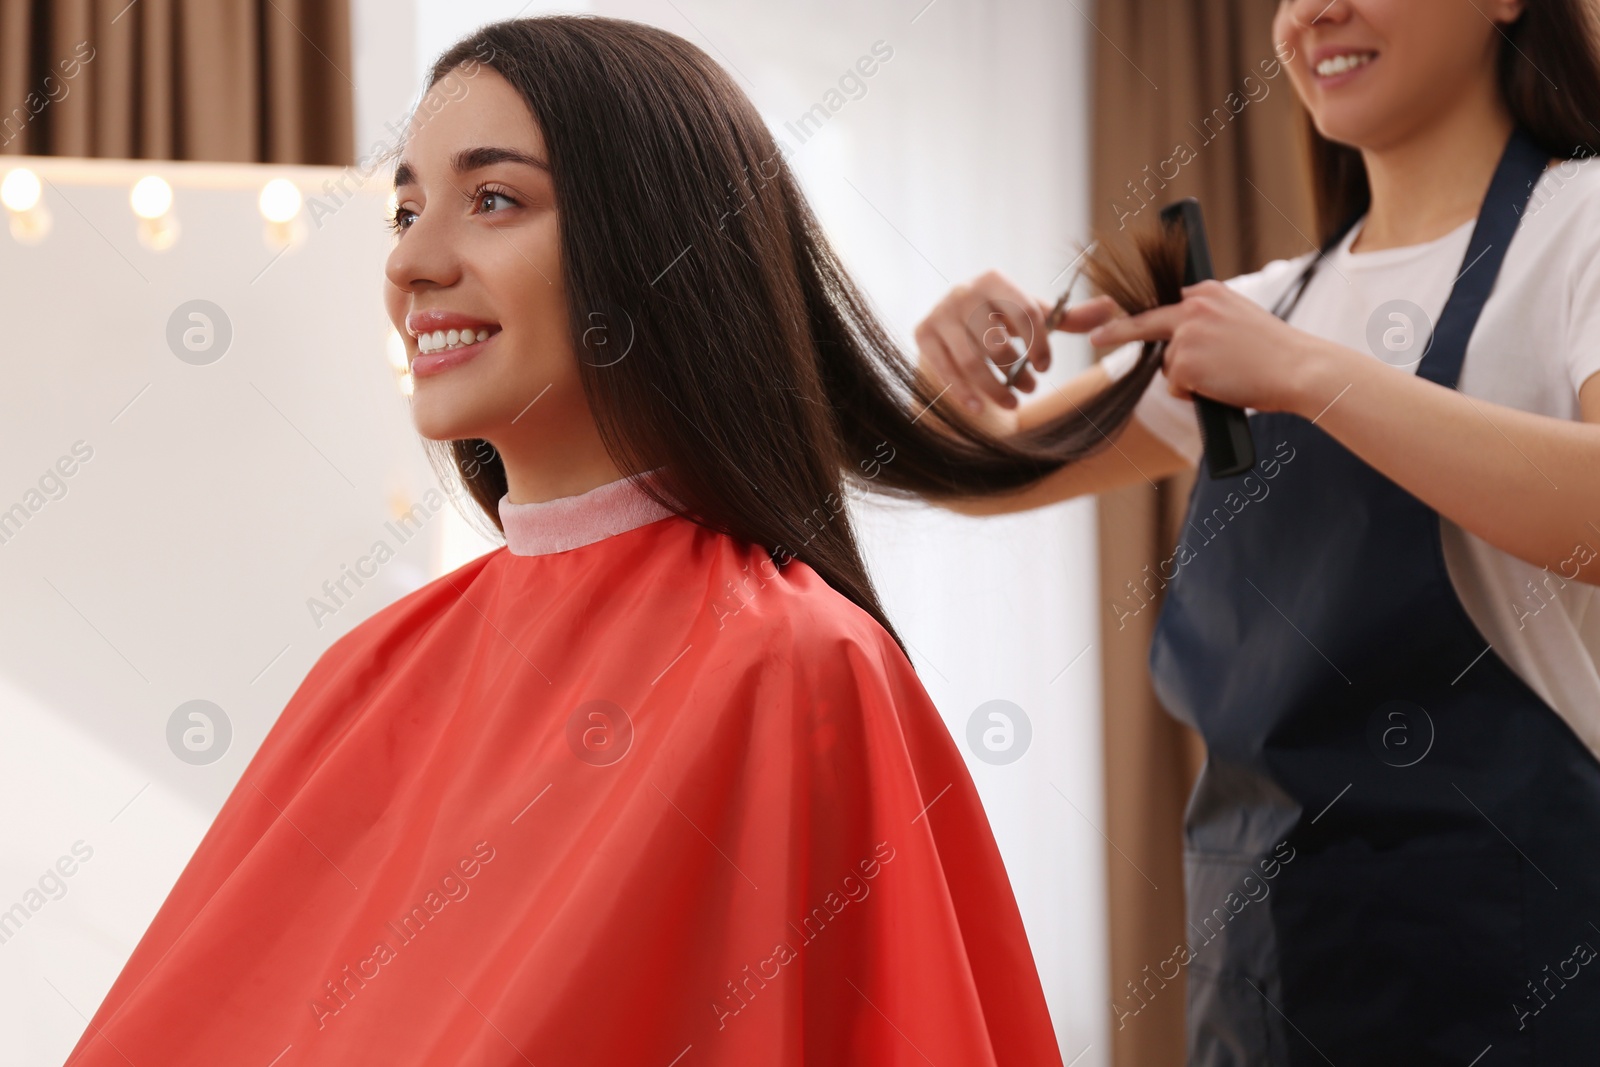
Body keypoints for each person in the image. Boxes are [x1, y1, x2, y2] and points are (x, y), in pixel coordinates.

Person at [61, 16, 1081, 1067]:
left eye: (493, 198)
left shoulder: (796, 669)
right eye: (404, 209)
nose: (411, 258)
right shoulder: (367, 670)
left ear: (654, 241)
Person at [913, 0, 1600, 1062]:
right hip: (1267, 997)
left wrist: (1312, 375)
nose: (1311, 11)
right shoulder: (1257, 310)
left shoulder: (1581, 226)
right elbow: (973, 470)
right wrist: (958, 382)